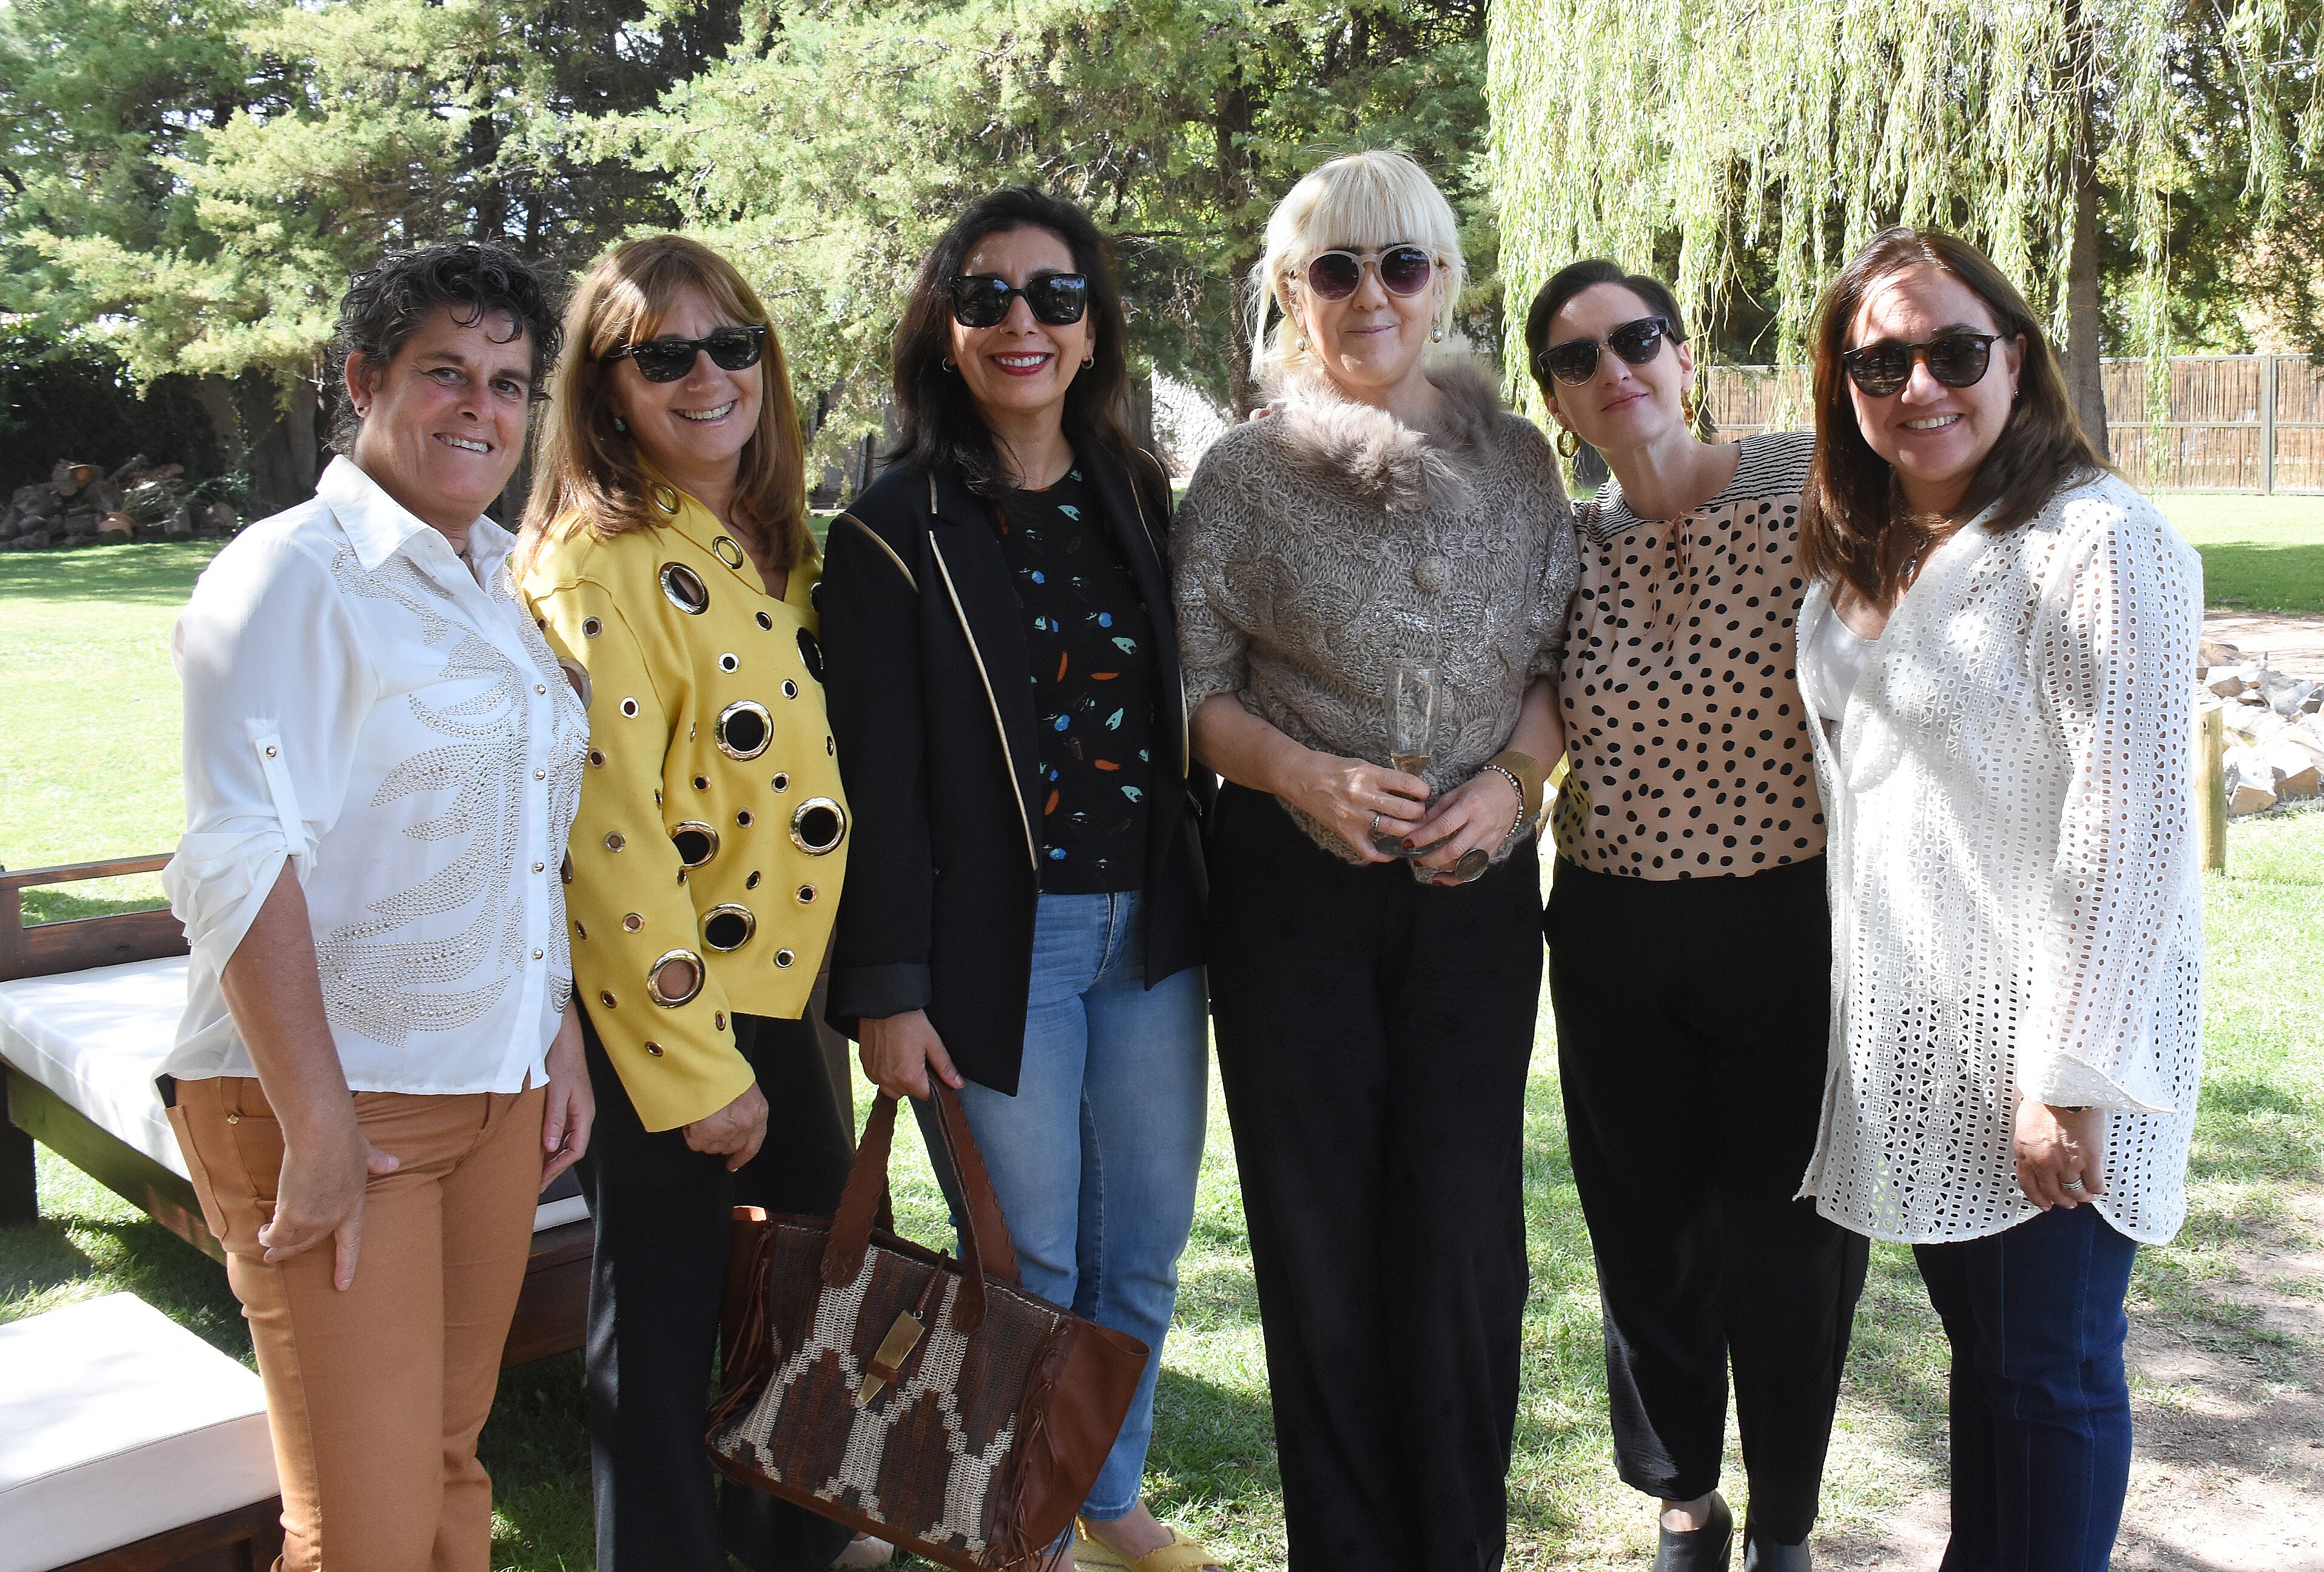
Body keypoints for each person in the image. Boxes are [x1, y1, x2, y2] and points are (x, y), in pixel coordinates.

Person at [1172, 149, 1577, 1572]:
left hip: (1470, 904)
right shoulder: (1238, 476)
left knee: (1463, 1236)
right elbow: (1192, 687)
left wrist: (1516, 787)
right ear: (1291, 290)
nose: (1368, 295)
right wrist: (1296, 774)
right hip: (1290, 906)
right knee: (1316, 1233)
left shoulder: (1520, 461)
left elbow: (1551, 667)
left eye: (1398, 264)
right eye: (1332, 269)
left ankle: (1455, 1547)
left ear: (1442, 282)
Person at [161, 241, 591, 1572]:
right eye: (445, 373)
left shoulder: (497, 577)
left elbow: (527, 831)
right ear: (363, 382)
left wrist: (555, 1028)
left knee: (448, 1468)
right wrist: (322, 1122)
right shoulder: (290, 574)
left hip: (497, 1093)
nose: (483, 408)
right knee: (363, 1528)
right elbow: (241, 858)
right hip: (335, 1101)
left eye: (511, 383)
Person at [820, 186, 1218, 1572]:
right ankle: (1020, 1534)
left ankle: (1105, 1499)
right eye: (984, 296)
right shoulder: (887, 532)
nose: (1021, 324)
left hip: (1149, 938)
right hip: (999, 949)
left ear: (1094, 327)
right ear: (943, 329)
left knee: (1142, 1254)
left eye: (1055, 296)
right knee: (1030, 1265)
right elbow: (866, 784)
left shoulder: (1136, 495)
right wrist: (886, 987)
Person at [1794, 227, 2203, 1572]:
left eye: (1952, 350)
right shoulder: (1863, 556)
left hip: (2046, 1048)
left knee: (2047, 1371)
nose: (1918, 384)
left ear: (2013, 358)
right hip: (1925, 1044)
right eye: (1879, 361)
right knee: (1994, 1364)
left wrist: (2066, 1070)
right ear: (1841, 388)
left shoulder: (2097, 542)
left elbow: (2131, 819)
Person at [516, 235, 875, 1572]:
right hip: (668, 1013)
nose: (707, 375)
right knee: (661, 1341)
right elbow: (602, 837)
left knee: (799, 1322)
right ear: (605, 388)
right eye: (662, 356)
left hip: (788, 998)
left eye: (732, 345)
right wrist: (692, 1068)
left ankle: (788, 1555)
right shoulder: (597, 560)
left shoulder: (783, 543)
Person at [1521, 261, 1870, 1571]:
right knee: (1644, 1234)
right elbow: (1533, 694)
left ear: (1681, 358)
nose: (1612, 371)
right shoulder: (1567, 543)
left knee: (1792, 1240)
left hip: (1787, 920)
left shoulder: (1804, 481)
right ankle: (1682, 1498)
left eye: (1635, 341)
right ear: (1557, 402)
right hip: (1610, 932)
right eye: (1575, 360)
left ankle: (1781, 1518)